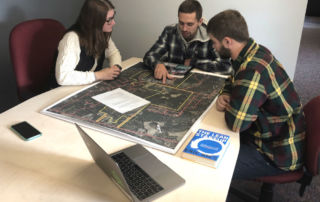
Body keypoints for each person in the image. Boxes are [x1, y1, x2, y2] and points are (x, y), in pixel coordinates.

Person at [207, 9, 305, 179]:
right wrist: (226, 93)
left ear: (227, 41)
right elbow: (232, 80)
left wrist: (236, 107)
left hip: (277, 152)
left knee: (212, 167)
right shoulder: (253, 52)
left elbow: (236, 123)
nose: (213, 47)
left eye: (214, 42)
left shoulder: (253, 70)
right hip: (271, 132)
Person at [143, 0, 232, 84]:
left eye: (190, 24)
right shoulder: (169, 31)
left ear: (200, 22)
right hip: (173, 82)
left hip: (200, 84)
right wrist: (157, 64)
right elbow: (150, 55)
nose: (184, 29)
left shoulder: (211, 36)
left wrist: (194, 62)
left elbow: (226, 67)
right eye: (181, 23)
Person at [54, 0, 122, 86]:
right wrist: (99, 75)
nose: (113, 23)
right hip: (63, 90)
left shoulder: (101, 33)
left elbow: (113, 53)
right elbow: (63, 77)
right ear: (94, 21)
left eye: (113, 17)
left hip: (86, 86)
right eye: (109, 20)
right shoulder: (72, 38)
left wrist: (116, 67)